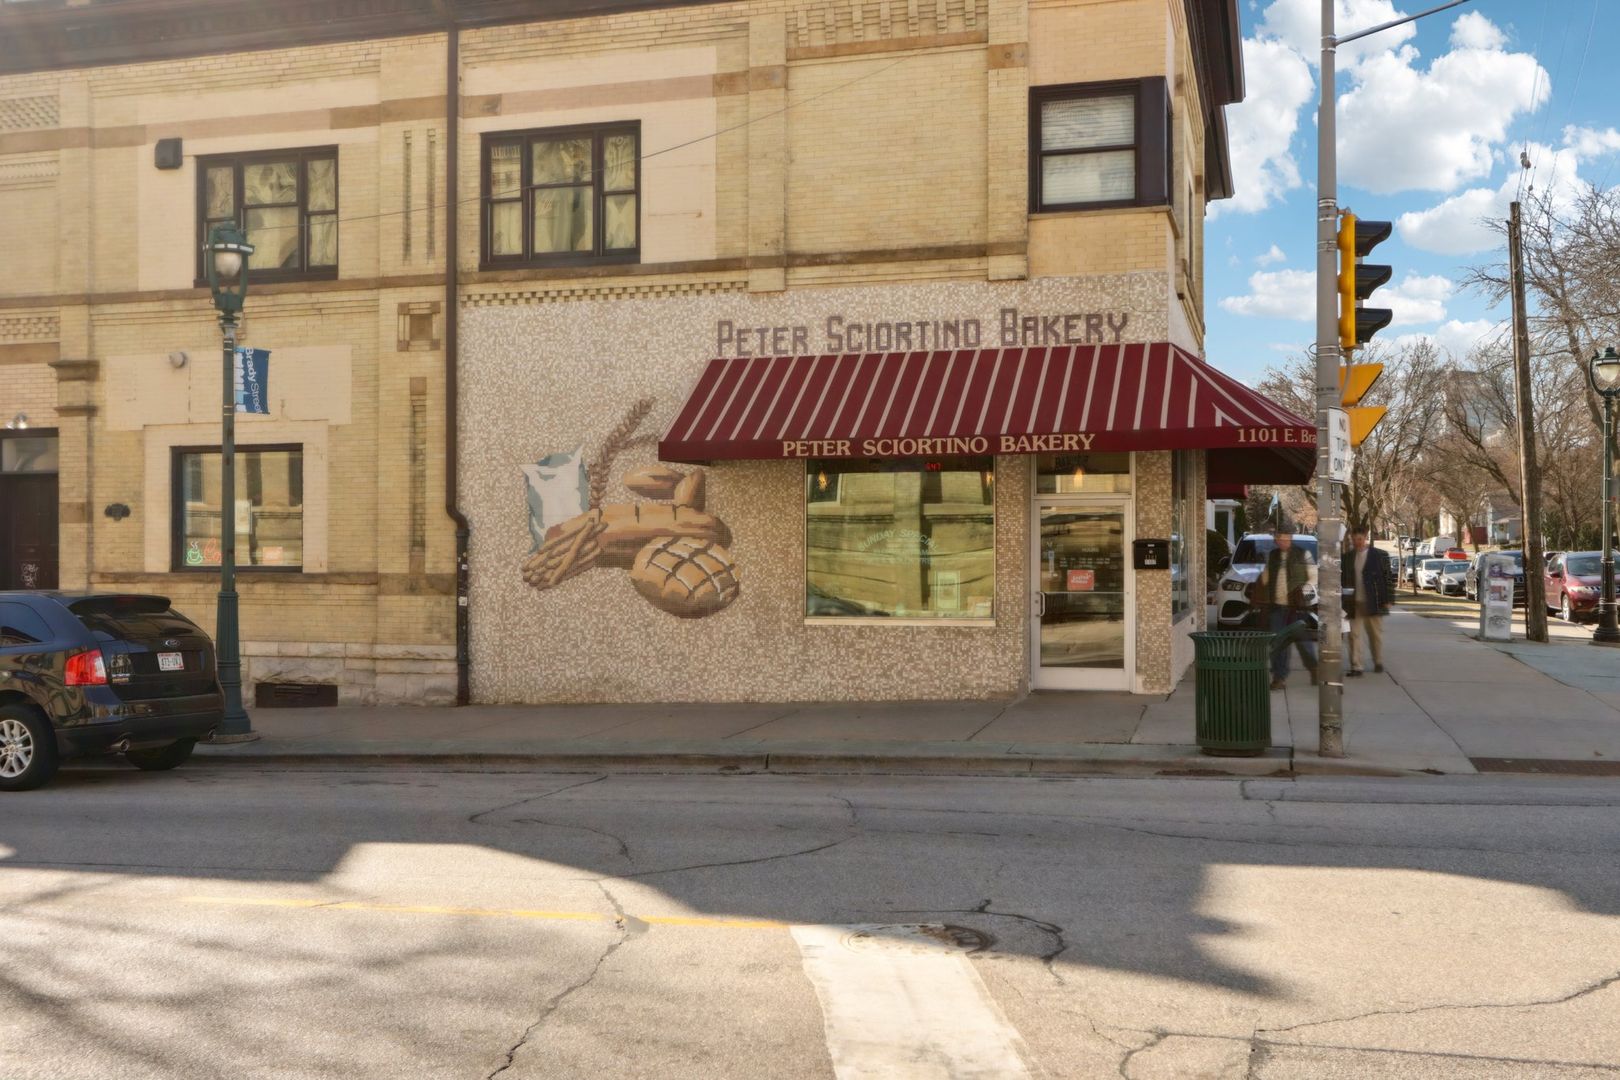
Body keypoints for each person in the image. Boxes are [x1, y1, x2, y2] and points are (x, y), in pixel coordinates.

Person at [1253, 528, 1318, 690]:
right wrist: (1258, 591)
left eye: (1285, 538)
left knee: (1304, 643)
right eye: (1279, 538)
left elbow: (1314, 576)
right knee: (1278, 644)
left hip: (1297, 607)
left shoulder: (1303, 554)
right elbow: (1266, 577)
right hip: (1277, 607)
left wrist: (1303, 591)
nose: (1282, 541)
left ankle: (1315, 669)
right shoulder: (1272, 555)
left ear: (1290, 538)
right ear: (1276, 540)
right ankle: (1279, 677)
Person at [1345, 526, 1392, 676]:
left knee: (1375, 635)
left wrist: (1388, 599)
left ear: (1365, 538)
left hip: (1374, 601)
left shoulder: (1379, 555)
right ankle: (1356, 666)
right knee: (1353, 635)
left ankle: (1378, 661)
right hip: (1354, 603)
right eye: (1354, 540)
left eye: (1359, 539)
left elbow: (1387, 578)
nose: (1357, 542)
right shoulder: (1347, 557)